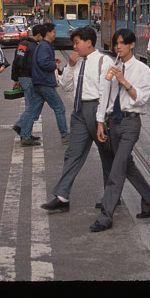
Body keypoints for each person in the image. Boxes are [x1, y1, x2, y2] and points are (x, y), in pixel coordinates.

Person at [88, 29, 150, 232]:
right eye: (116, 43)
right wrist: (100, 122)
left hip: (130, 123)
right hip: (113, 123)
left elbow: (141, 98)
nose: (118, 47)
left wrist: (123, 81)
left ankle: (106, 216)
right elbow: (105, 96)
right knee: (127, 166)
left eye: (122, 43)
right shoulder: (112, 67)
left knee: (117, 168)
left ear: (131, 45)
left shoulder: (142, 70)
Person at [40, 27, 115, 212]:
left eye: (77, 42)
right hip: (79, 111)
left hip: (98, 109)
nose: (74, 46)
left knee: (107, 155)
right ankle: (62, 196)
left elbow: (108, 90)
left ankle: (112, 195)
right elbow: (65, 86)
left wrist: (101, 117)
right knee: (73, 154)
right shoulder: (77, 62)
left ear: (89, 42)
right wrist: (71, 66)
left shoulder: (104, 61)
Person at [30, 23, 69, 143]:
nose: (55, 34)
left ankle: (24, 133)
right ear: (48, 33)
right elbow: (43, 62)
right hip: (45, 82)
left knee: (34, 110)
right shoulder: (45, 46)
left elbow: (42, 60)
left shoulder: (43, 45)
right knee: (59, 108)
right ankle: (64, 135)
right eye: (53, 32)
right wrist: (54, 65)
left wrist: (52, 60)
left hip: (39, 82)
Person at [10, 24, 44, 146]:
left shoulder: (22, 44)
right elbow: (33, 65)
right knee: (31, 107)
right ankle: (24, 134)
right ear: (39, 35)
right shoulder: (34, 47)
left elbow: (15, 62)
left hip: (22, 78)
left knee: (31, 106)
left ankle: (25, 131)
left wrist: (16, 79)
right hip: (29, 78)